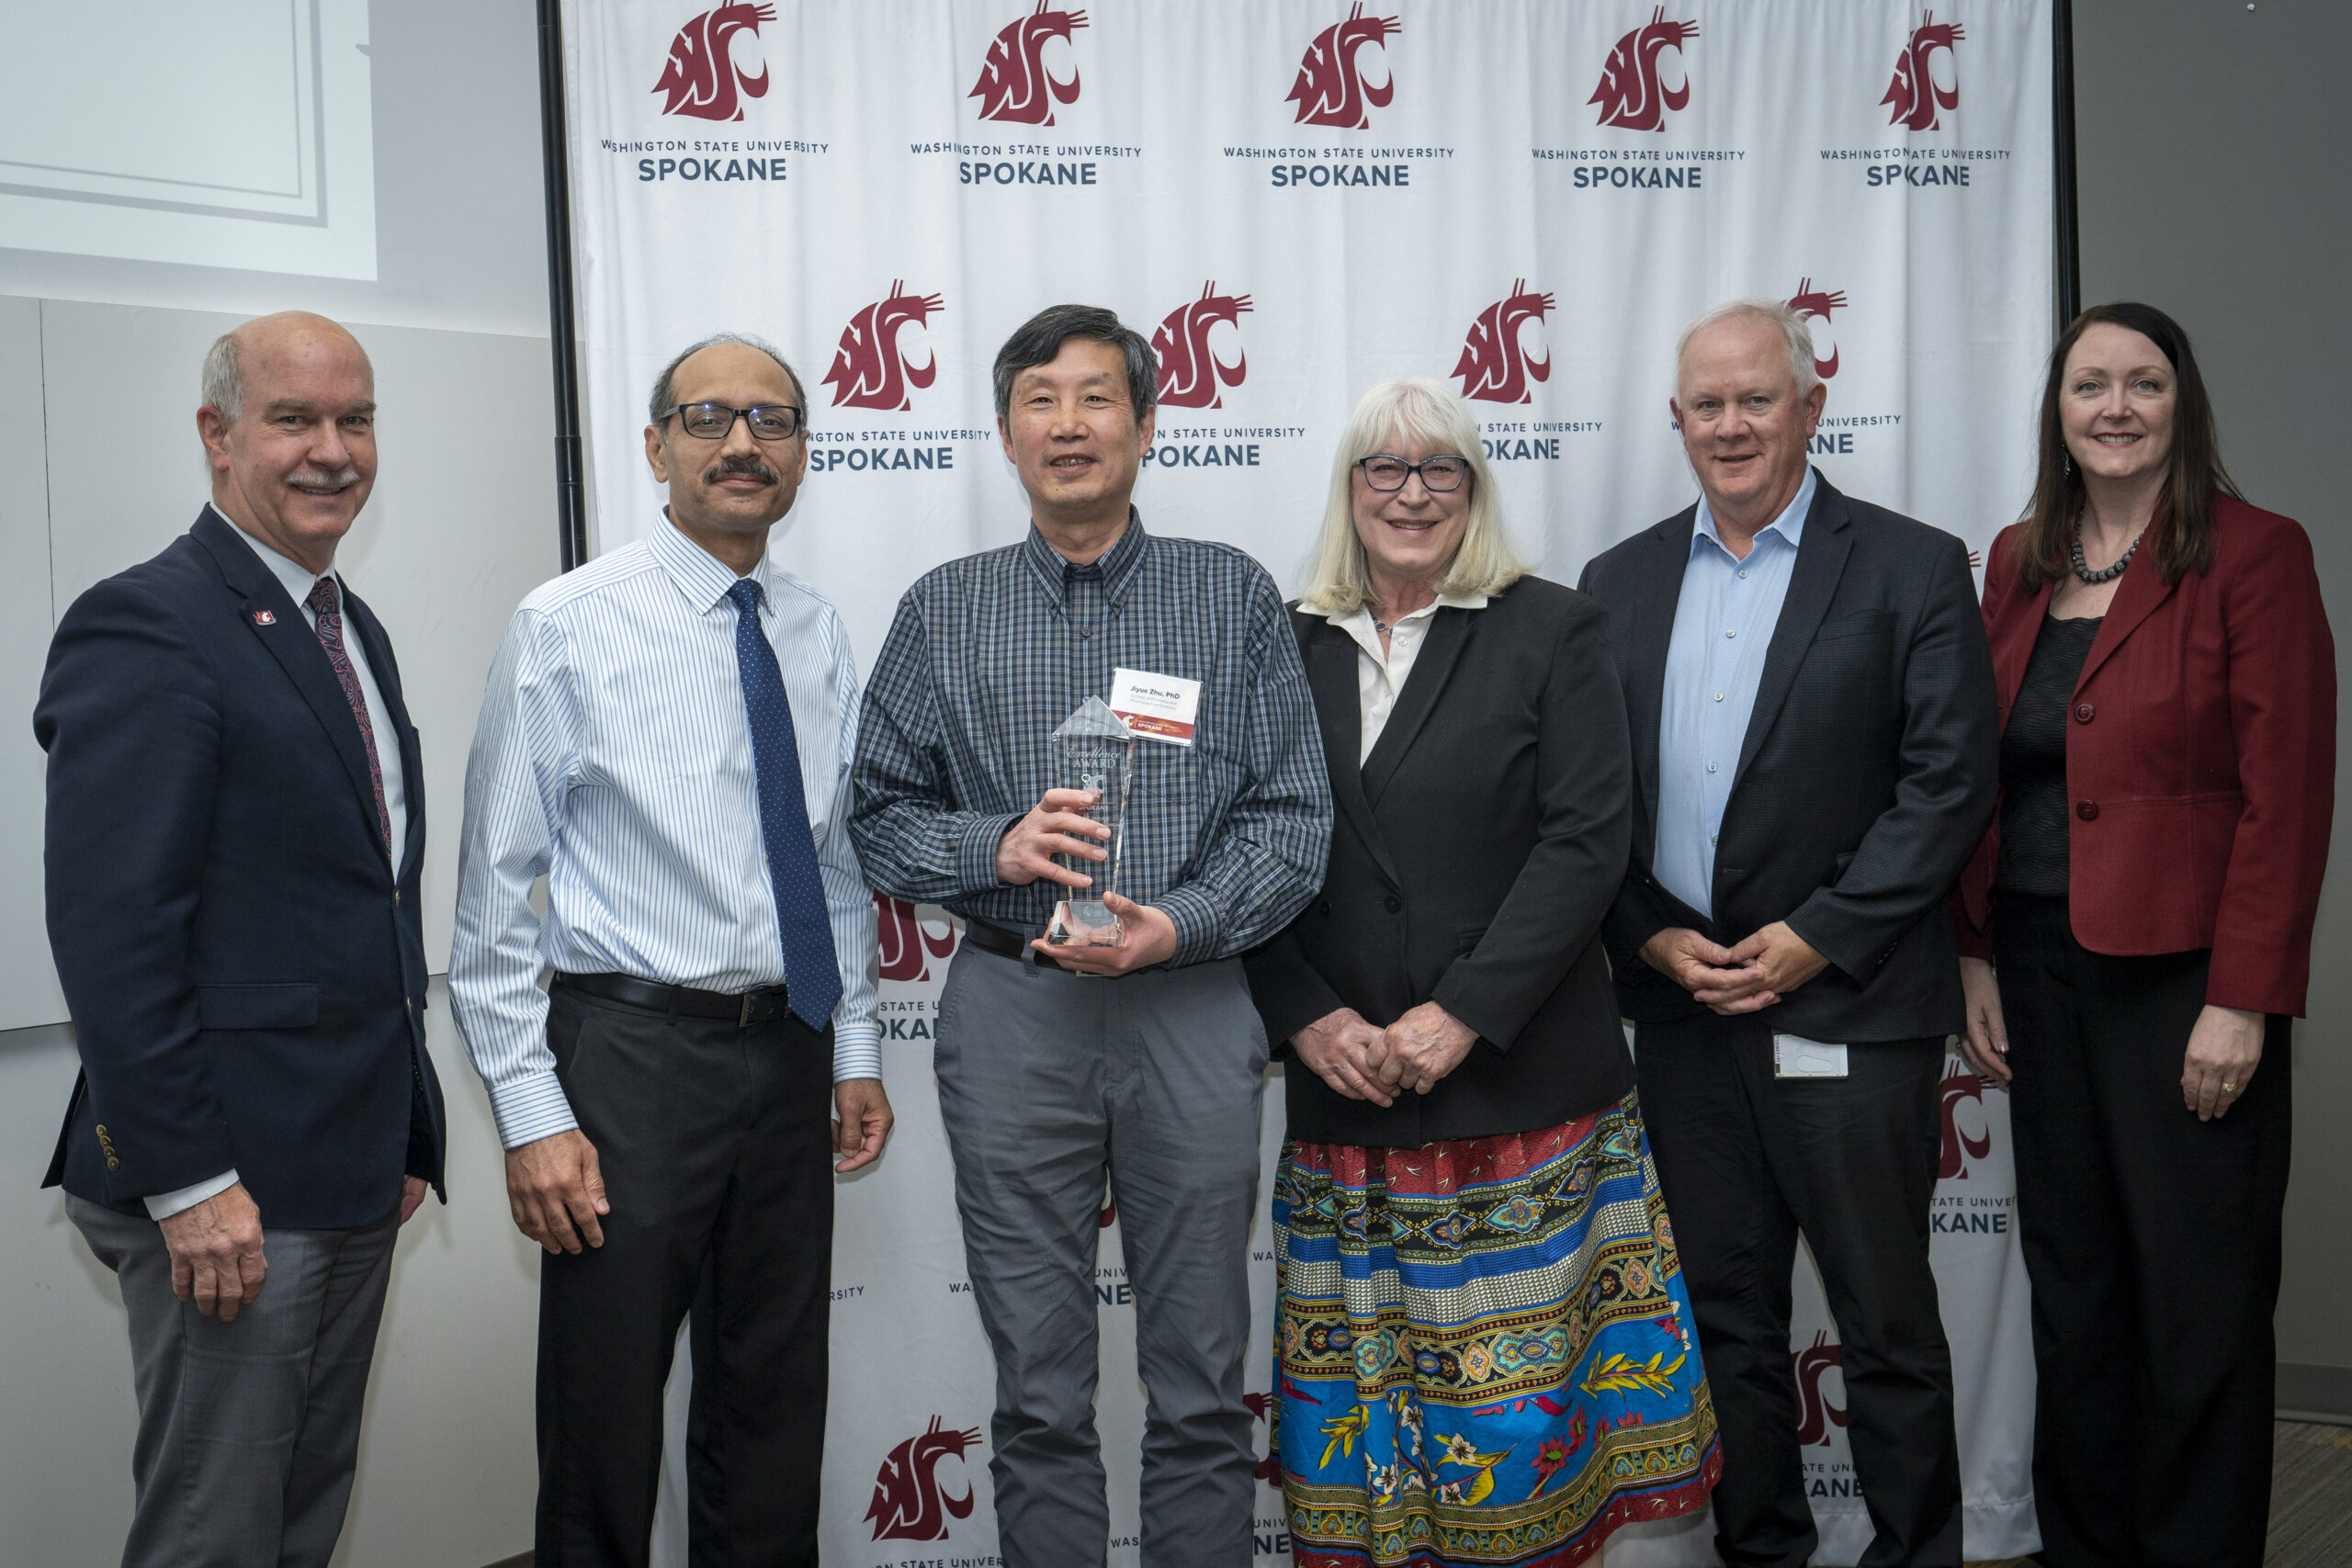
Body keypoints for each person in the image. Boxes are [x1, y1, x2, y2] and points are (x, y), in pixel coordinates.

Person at [850, 303, 1331, 1567]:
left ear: (1148, 425)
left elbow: (1293, 820)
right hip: (1016, 1013)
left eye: (1097, 397)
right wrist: (996, 848)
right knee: (1039, 1388)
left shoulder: (1230, 595)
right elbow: (876, 820)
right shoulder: (944, 610)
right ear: (1006, 431)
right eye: (1041, 400)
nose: (1069, 425)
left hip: (1191, 1005)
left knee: (1203, 1380)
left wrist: (1177, 926)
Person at [1244, 378, 1721, 1565]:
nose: (1412, 494)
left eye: (1440, 468)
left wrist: (1461, 1013)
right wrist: (1306, 1017)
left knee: (1528, 1433)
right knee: (1364, 1434)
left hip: (1522, 1097)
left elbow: (1586, 843)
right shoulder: (1284, 642)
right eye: (1385, 468)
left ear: (1475, 488)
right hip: (1349, 1097)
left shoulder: (1553, 629)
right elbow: (1238, 846)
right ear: (1349, 490)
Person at [449, 333, 891, 1566]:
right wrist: (532, 1114)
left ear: (802, 452)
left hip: (789, 1053)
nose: (742, 444)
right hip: (629, 1060)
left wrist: (854, 1046)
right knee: (603, 1415)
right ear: (655, 448)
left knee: (772, 1405)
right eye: (709, 418)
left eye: (771, 421)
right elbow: (491, 904)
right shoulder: (566, 623)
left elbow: (833, 857)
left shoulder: (813, 628)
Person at [1577, 299, 1998, 1568]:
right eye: (1707, 405)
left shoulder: (1913, 566)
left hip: (1849, 1010)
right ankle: (1762, 1552)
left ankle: (1915, 1554)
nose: (1732, 425)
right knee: (1725, 1319)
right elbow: (1587, 810)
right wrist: (1649, 941)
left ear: (1811, 408)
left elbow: (1949, 785)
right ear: (1676, 420)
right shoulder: (1616, 583)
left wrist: (1819, 935)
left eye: (1756, 399)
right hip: (1686, 1015)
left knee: (1886, 1325)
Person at [34, 311, 444, 1568]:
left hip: (346, 1165)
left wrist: (404, 1128)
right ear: (218, 436)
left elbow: (363, 897)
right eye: (294, 420)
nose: (334, 451)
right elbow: (114, 933)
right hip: (233, 1185)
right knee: (216, 1540)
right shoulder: (148, 621)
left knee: (298, 1527)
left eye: (356, 420)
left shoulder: (348, 626)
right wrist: (190, 1183)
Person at [1951, 303, 2334, 1568]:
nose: (2116, 407)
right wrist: (1972, 948)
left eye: (2144, 383)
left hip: (2186, 987)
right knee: (2077, 1292)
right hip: (2038, 968)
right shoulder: (2020, 560)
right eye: (2090, 385)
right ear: (2057, 410)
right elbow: (1979, 770)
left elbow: (2288, 794)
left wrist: (2244, 996)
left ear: (2183, 403)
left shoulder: (2255, 553)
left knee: (2199, 1306)